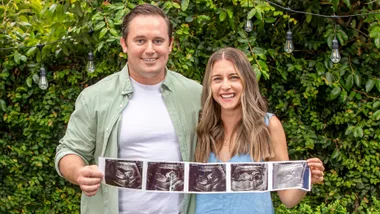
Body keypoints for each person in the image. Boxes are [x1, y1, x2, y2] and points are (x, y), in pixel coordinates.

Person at [54, 3, 202, 214]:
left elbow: (233, 131)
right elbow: (69, 151)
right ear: (124, 44)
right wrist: (79, 172)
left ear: (170, 44)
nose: (150, 49)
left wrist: (267, 122)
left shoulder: (196, 94)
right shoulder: (95, 97)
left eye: (158, 41)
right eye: (140, 40)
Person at [194, 47, 325, 213]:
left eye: (234, 77)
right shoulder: (200, 129)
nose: (225, 86)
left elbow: (287, 198)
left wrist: (307, 180)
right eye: (217, 79)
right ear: (209, 85)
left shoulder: (268, 126)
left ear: (247, 81)